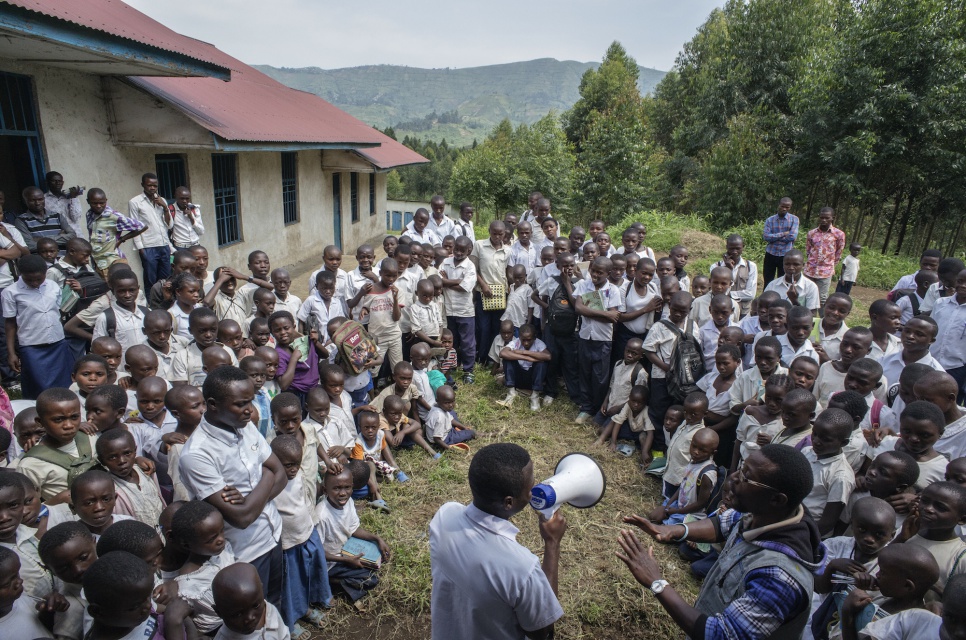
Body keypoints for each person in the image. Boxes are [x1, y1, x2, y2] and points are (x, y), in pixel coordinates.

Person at [617, 444, 827, 640]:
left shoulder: (779, 578)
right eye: (741, 468)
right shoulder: (770, 513)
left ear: (777, 499)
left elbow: (720, 634)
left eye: (746, 477)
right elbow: (722, 524)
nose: (733, 478)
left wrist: (657, 582)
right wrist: (671, 530)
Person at [429, 442, 566, 639]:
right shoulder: (522, 567)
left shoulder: (445, 515)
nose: (533, 491)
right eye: (530, 486)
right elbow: (542, 630)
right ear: (508, 502)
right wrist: (552, 543)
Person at [178, 365, 287, 609]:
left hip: (273, 532)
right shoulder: (197, 455)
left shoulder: (245, 426)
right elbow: (242, 518)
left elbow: (281, 473)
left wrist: (253, 496)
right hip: (244, 552)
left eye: (250, 401)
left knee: (275, 603)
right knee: (252, 613)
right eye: (241, 403)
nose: (250, 410)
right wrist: (267, 476)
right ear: (213, 404)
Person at [315, 466, 388, 607]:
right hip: (331, 562)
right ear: (325, 490)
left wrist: (377, 539)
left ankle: (342, 575)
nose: (343, 493)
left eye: (347, 488)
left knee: (378, 559)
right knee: (370, 579)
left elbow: (353, 529)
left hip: (346, 551)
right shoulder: (322, 515)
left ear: (352, 487)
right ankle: (332, 581)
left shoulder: (348, 502)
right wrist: (346, 560)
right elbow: (317, 551)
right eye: (336, 489)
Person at [3, 255, 73, 399]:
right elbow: (10, 324)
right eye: (30, 280)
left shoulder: (53, 286)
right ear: (20, 274)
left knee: (64, 384)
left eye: (39, 279)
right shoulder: (10, 292)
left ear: (46, 272)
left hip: (57, 343)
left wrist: (72, 292)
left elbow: (60, 309)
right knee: (39, 387)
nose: (35, 283)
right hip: (32, 346)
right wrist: (11, 353)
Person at [212, 562, 290, 640]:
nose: (249, 618)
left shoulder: (270, 611)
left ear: (262, 590)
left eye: (255, 605)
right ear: (219, 612)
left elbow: (283, 634)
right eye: (237, 614)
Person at [85, 188, 146, 279]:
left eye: (102, 203)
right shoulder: (89, 214)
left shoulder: (113, 216)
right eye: (94, 203)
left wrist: (121, 239)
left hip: (112, 261)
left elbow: (142, 226)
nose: (98, 206)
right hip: (98, 262)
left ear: (106, 201)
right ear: (88, 201)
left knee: (119, 288)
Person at [127, 173, 173, 291]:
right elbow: (134, 226)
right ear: (143, 185)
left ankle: (164, 304)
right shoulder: (135, 202)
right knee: (151, 280)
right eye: (149, 185)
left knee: (166, 279)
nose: (152, 188)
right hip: (148, 246)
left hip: (164, 245)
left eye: (155, 185)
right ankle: (152, 306)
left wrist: (165, 207)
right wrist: (140, 248)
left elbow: (169, 225)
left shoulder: (162, 200)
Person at [441, 236, 477, 383]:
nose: (459, 252)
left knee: (467, 343)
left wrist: (446, 281)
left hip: (464, 311)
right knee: (452, 341)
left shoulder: (470, 266)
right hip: (448, 310)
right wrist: (456, 281)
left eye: (463, 250)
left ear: (469, 250)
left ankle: (468, 370)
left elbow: (465, 287)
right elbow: (439, 281)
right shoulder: (445, 262)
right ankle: (452, 365)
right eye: (456, 248)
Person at [497, 323, 551, 411]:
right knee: (507, 359)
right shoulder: (515, 342)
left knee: (542, 363)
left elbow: (548, 356)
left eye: (529, 340)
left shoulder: (539, 343)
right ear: (519, 337)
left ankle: (535, 396)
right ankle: (511, 393)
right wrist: (527, 358)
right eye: (523, 340)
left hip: (532, 380)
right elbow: (502, 353)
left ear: (534, 337)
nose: (526, 343)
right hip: (518, 379)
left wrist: (523, 352)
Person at [805, 207, 846, 310]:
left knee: (822, 298)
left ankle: (823, 321)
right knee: (806, 294)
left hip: (825, 271)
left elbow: (838, 252)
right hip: (810, 270)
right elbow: (808, 250)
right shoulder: (812, 233)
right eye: (821, 217)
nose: (823, 220)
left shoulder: (839, 234)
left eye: (826, 218)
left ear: (832, 218)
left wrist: (830, 265)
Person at [14, 186, 75, 253]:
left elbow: (72, 237)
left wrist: (43, 239)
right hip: (41, 262)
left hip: (62, 260)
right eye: (32, 200)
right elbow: (30, 246)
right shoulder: (21, 221)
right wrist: (60, 237)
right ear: (25, 201)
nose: (37, 203)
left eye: (40, 199)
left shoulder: (57, 216)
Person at [764, 249, 821, 315]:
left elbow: (812, 315)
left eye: (796, 264)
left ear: (803, 265)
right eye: (787, 264)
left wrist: (795, 301)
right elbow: (764, 307)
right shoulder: (772, 285)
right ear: (783, 265)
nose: (791, 268)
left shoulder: (811, 287)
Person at [762, 196, 800, 285]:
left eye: (787, 207)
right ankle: (767, 297)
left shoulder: (794, 219)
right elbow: (766, 237)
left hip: (785, 255)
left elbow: (792, 237)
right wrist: (783, 234)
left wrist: (774, 237)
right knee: (768, 280)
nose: (784, 209)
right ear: (778, 205)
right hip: (770, 253)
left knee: (783, 281)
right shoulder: (770, 220)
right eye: (782, 206)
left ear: (790, 207)